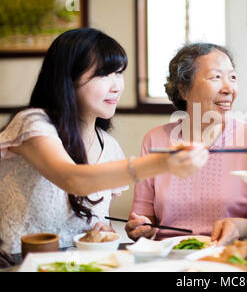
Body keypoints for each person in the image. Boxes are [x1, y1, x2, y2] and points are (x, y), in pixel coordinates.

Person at [0, 28, 209, 254]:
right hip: (19, 263)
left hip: (81, 266)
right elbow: (71, 178)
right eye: (103, 74)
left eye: (119, 73)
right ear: (68, 77)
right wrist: (162, 163)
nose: (117, 86)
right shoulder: (33, 123)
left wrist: (105, 232)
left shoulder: (108, 146)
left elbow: (98, 226)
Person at [126, 43, 247, 246]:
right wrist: (142, 226)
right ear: (183, 89)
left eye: (232, 77)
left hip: (228, 257)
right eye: (216, 77)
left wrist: (240, 227)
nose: (228, 89)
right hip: (170, 256)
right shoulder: (155, 140)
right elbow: (143, 217)